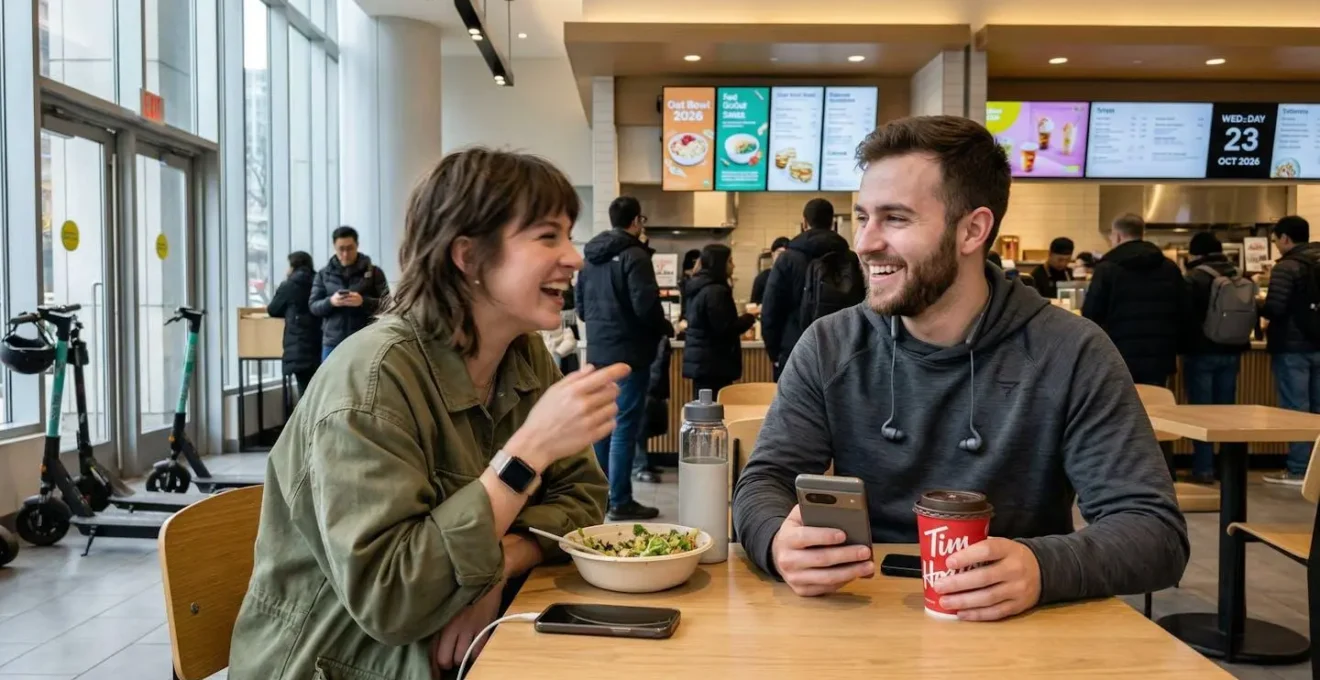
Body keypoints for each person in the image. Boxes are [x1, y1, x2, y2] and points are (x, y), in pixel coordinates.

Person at [732, 115, 1187, 619]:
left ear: (973, 230)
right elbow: (763, 482)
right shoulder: (829, 345)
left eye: (896, 219)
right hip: (860, 616)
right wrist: (777, 540)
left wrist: (1041, 567)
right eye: (862, 217)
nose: (864, 242)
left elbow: (1155, 532)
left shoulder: (1071, 351)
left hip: (1014, 630)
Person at [230, 148, 617, 680]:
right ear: (467, 256)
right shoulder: (373, 378)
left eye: (569, 235)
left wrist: (495, 567)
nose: (574, 257)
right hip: (342, 664)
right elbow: (393, 598)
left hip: (460, 651)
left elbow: (585, 502)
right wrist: (527, 454)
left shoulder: (524, 356)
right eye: (548, 236)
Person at [578, 196, 672, 520]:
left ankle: (600, 499)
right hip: (629, 354)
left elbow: (580, 308)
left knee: (603, 425)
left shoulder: (590, 259)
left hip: (596, 353)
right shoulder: (635, 255)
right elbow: (646, 307)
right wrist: (665, 327)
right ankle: (620, 500)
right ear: (636, 221)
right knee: (624, 426)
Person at [1181, 232, 1254, 484]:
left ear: (1195, 252)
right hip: (1233, 350)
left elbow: (1186, 316)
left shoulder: (1195, 278)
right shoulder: (1238, 273)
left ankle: (1203, 469)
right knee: (1226, 414)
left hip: (1201, 352)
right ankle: (1228, 470)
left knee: (1202, 415)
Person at [1081, 214, 1185, 386]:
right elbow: (1182, 310)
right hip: (1158, 356)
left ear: (1118, 236)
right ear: (1141, 234)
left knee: (1122, 408)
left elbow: (1091, 313)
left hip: (1118, 354)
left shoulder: (1107, 268)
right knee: (1156, 406)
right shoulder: (1169, 267)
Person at [761, 198, 855, 381]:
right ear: (831, 222)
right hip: (841, 353)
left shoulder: (787, 259)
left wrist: (775, 353)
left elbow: (771, 311)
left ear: (804, 223)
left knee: (795, 409)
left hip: (795, 351)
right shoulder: (850, 258)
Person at [1260, 215, 1320, 486]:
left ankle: (1298, 469)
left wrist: (1257, 306)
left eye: (1275, 240)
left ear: (1285, 238)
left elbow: (1275, 308)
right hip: (1318, 343)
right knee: (1317, 408)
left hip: (1292, 347)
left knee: (1296, 408)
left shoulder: (1287, 267)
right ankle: (1315, 472)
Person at [683, 244, 757, 398]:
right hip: (714, 364)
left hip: (704, 363)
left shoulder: (699, 286)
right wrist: (750, 316)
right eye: (730, 261)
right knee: (713, 412)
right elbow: (726, 328)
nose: (733, 265)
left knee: (704, 410)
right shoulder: (716, 291)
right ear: (719, 263)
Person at [309, 225, 391, 360]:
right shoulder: (323, 274)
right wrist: (331, 302)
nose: (345, 254)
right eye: (341, 249)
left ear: (357, 245)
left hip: (365, 340)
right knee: (331, 381)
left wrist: (363, 302)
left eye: (350, 248)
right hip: (333, 342)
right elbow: (314, 306)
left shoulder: (374, 273)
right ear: (334, 247)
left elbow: (387, 304)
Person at [266, 251, 321, 395]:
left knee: (305, 394)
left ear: (293, 266)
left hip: (299, 348)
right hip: (321, 345)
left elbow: (273, 309)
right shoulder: (320, 281)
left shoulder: (289, 285)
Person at [750, 237, 792, 306]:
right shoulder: (762, 278)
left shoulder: (793, 276)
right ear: (773, 255)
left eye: (786, 255)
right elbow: (753, 304)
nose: (783, 259)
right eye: (779, 254)